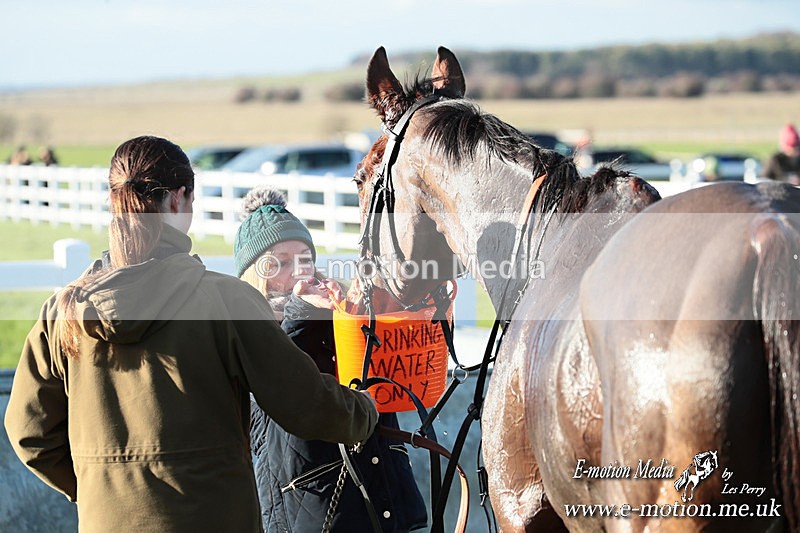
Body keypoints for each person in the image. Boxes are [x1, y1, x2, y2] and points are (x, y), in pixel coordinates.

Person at [3, 136, 378, 532]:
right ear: (180, 199)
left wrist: (104, 488)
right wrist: (366, 409)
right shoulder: (226, 301)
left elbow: (29, 433)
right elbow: (309, 405)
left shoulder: (61, 313)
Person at [234, 187, 428, 533]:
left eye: (305, 259)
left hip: (385, 504)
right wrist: (303, 312)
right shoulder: (246, 328)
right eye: (280, 263)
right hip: (317, 515)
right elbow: (284, 383)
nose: (300, 272)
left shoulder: (338, 314)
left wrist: (404, 306)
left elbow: (393, 381)